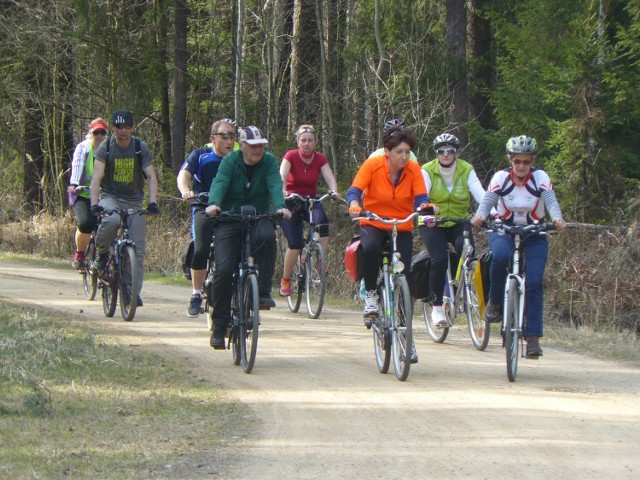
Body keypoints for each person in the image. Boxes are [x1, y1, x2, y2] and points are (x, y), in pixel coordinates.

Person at [471, 135, 566, 358]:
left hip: (534, 233)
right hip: (504, 229)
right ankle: (494, 301)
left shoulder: (540, 178)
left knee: (534, 281)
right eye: (517, 161)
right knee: (499, 257)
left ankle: (533, 337)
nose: (522, 166)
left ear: (532, 162)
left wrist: (558, 219)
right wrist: (480, 216)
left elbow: (551, 202)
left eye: (527, 162)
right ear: (510, 160)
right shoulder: (501, 178)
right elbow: (487, 202)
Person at [347, 125, 432, 363]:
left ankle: (406, 336)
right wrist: (355, 205)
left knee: (406, 274)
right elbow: (354, 190)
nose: (404, 157)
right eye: (399, 152)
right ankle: (371, 294)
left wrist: (425, 209)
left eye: (407, 152)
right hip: (373, 221)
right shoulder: (373, 165)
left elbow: (421, 198)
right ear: (387, 151)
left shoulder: (413, 169)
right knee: (372, 249)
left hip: (401, 226)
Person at [205, 126, 291, 350]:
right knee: (223, 271)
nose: (258, 149)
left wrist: (280, 207)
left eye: (261, 145)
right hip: (229, 218)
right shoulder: (230, 162)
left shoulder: (270, 161)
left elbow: (274, 184)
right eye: (253, 146)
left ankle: (262, 291)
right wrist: (214, 204)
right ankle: (220, 326)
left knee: (267, 237)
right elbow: (220, 182)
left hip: (258, 215)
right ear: (241, 145)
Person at [90, 109, 159, 307]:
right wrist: (95, 205)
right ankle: (102, 251)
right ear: (113, 128)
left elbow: (152, 177)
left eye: (127, 126)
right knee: (110, 221)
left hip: (134, 200)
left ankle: (132, 293)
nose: (123, 131)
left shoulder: (139, 147)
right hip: (111, 197)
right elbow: (97, 178)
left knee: (137, 250)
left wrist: (153, 202)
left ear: (133, 127)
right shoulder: (106, 148)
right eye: (119, 127)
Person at [419, 133, 486, 327]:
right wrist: (427, 212)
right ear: (436, 153)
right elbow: (422, 196)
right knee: (439, 259)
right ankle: (437, 306)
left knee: (468, 253)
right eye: (441, 150)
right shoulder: (428, 170)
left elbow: (480, 194)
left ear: (458, 152)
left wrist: (490, 213)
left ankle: (463, 288)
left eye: (450, 150)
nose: (446, 154)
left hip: (458, 220)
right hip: (433, 222)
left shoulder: (466, 169)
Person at [177, 118, 237, 317]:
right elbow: (184, 175)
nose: (229, 140)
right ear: (213, 138)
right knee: (201, 247)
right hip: (203, 207)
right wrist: (186, 191)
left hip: (230, 210)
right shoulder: (201, 155)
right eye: (224, 136)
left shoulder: (238, 157)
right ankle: (196, 293)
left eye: (232, 136)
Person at [278, 124, 340, 296]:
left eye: (310, 140)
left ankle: (320, 262)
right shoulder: (290, 156)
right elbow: (282, 175)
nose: (306, 144)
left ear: (315, 142)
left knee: (323, 225)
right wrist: (282, 191)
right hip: (290, 201)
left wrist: (334, 191)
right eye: (303, 140)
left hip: (310, 200)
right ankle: (286, 279)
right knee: (295, 244)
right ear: (298, 142)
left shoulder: (319, 158)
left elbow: (329, 176)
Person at [68, 118, 108, 269]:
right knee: (86, 223)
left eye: (102, 133)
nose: (99, 136)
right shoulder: (83, 148)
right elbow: (77, 166)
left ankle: (108, 257)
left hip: (104, 194)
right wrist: (75, 184)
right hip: (84, 194)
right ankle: (79, 253)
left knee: (113, 222)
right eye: (96, 132)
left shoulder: (111, 149)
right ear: (90, 134)